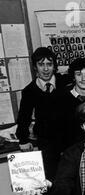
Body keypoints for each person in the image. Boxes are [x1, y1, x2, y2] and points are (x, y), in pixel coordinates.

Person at [15, 47, 66, 180]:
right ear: (35, 67)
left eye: (49, 64)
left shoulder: (65, 83)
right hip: (47, 142)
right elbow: (23, 117)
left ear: (54, 66)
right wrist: (23, 139)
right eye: (41, 64)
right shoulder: (29, 91)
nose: (45, 69)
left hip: (68, 140)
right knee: (52, 179)